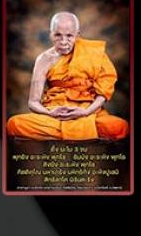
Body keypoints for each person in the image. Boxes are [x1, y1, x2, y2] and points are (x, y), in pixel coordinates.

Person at [7, 12, 128, 141]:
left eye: (69, 36)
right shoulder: (44, 59)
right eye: (57, 35)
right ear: (50, 34)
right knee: (14, 123)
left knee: (119, 126)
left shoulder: (94, 53)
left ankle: (57, 135)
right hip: (55, 115)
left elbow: (103, 92)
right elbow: (33, 102)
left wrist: (86, 112)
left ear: (77, 35)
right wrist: (50, 113)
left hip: (89, 113)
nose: (63, 41)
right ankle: (85, 134)